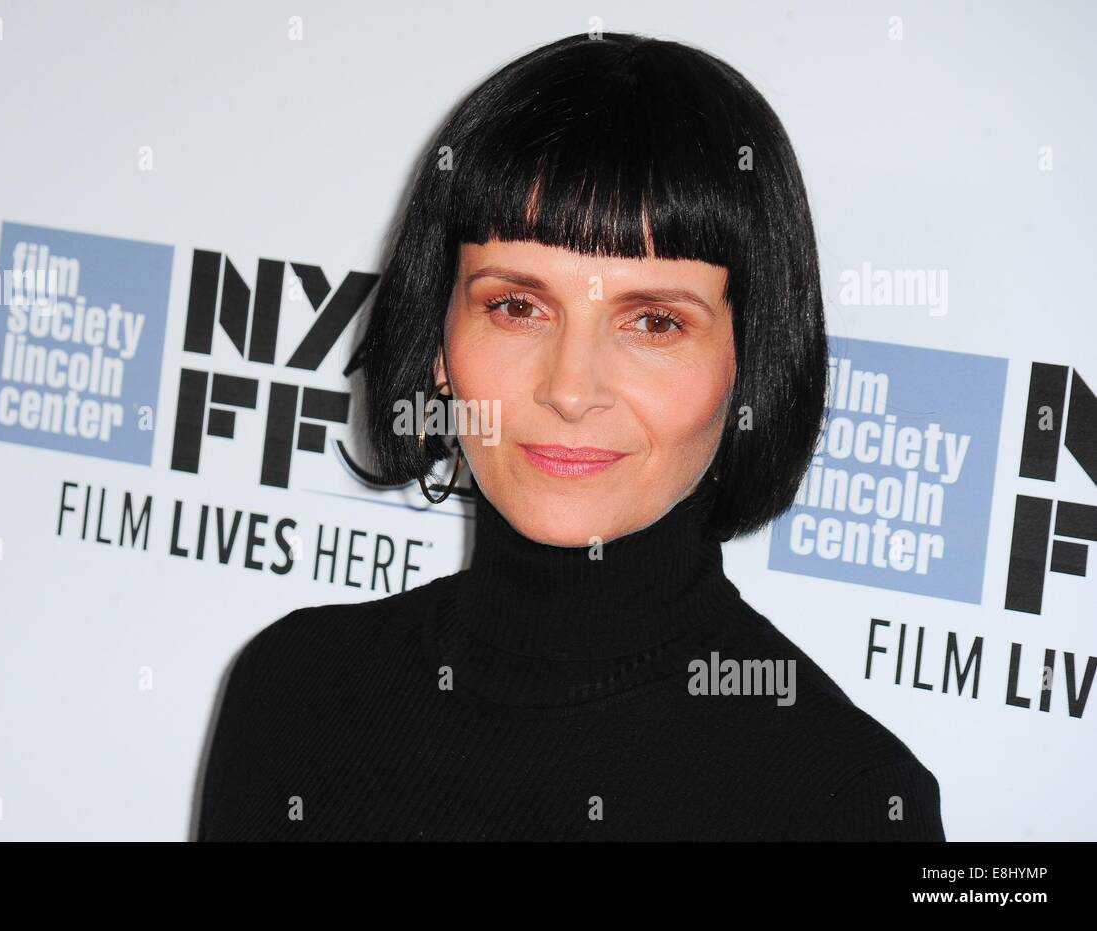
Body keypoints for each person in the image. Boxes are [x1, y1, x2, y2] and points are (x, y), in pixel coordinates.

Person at [197, 31, 945, 841]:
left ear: (750, 361)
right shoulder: (295, 691)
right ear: (439, 339)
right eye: (516, 306)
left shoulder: (841, 798)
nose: (569, 389)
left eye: (654, 321)